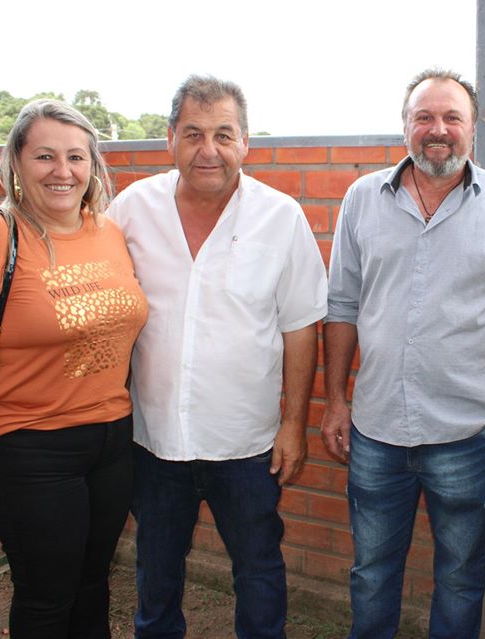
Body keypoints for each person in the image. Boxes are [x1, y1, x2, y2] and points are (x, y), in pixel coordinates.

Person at [321, 68, 485, 638]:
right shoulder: (362, 199)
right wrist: (335, 400)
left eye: (452, 117)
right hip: (376, 430)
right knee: (372, 574)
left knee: (459, 578)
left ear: (473, 130)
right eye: (424, 117)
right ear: (404, 127)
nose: (438, 129)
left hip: (468, 436)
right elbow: (341, 306)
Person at [108, 74, 327, 639]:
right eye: (194, 134)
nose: (209, 150)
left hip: (247, 441)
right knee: (156, 567)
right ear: (170, 138)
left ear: (246, 143)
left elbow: (301, 327)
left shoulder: (281, 218)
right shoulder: (131, 210)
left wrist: (294, 424)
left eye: (224, 135)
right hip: (154, 437)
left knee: (258, 566)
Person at [0, 99, 148, 638]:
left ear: (93, 165)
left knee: (93, 583)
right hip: (29, 448)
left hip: (112, 440)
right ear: (16, 164)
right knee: (47, 595)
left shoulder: (108, 232)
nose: (63, 170)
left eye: (76, 156)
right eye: (45, 156)